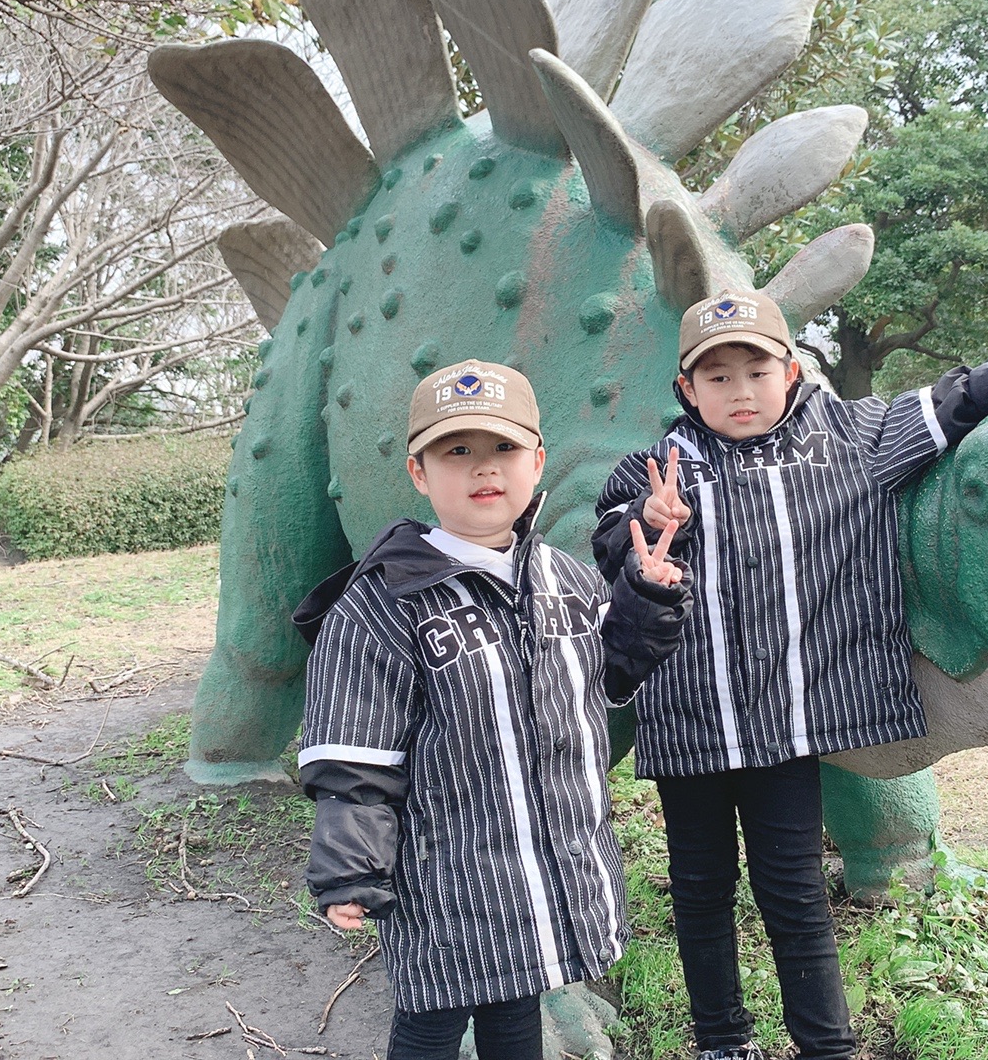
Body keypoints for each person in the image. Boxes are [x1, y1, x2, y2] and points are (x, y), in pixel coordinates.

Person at [592, 293, 988, 1060]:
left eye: (757, 370)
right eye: (717, 377)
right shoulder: (653, 468)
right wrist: (653, 529)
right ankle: (723, 1041)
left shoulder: (849, 438)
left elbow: (943, 405)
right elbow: (613, 547)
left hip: (790, 727)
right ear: (688, 390)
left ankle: (826, 1045)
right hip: (690, 719)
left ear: (790, 372)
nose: (741, 391)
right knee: (700, 894)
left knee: (793, 894)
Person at [294, 358, 692, 1060]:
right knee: (432, 1022)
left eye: (503, 448)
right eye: (458, 451)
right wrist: (351, 869)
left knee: (517, 1009)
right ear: (420, 472)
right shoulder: (383, 603)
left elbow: (609, 675)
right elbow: (354, 753)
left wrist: (646, 601)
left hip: (538, 866)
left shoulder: (564, 577)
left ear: (536, 461)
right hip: (445, 875)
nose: (484, 469)